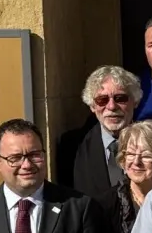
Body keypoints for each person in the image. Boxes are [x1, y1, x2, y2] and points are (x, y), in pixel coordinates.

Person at [57, 66, 140, 223]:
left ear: (135, 101)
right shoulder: (71, 147)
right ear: (92, 106)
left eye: (120, 98)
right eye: (102, 100)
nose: (111, 106)